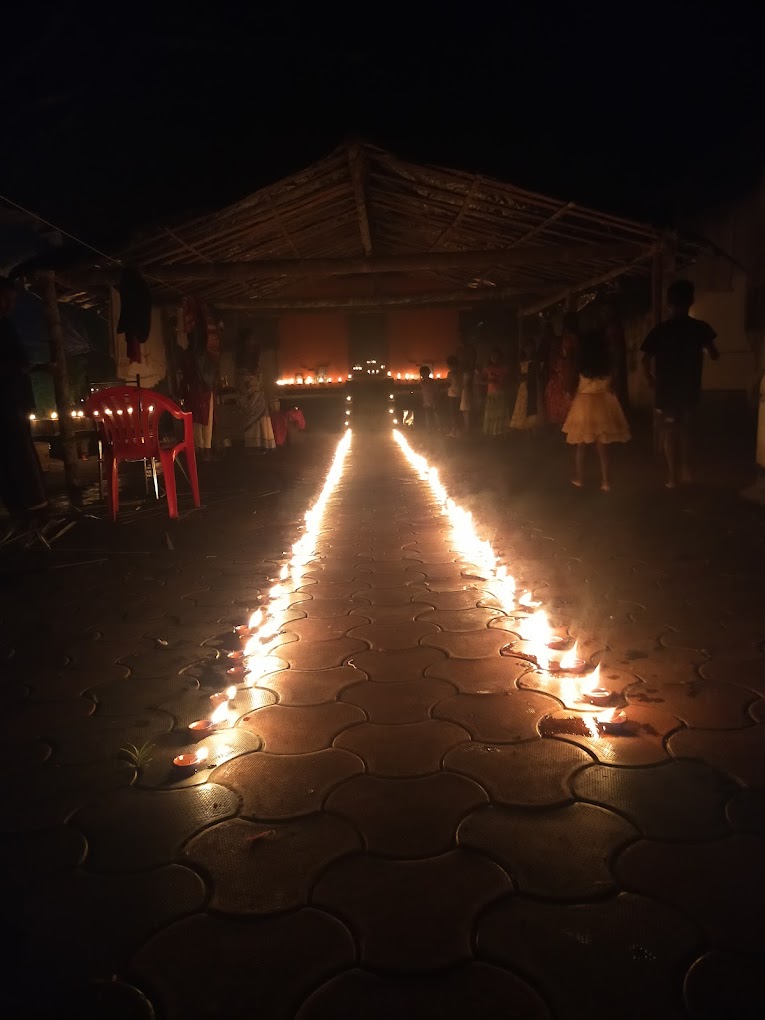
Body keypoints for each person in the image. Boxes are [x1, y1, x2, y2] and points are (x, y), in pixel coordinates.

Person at [641, 279, 720, 488]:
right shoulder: (700, 328)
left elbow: (645, 358)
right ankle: (686, 469)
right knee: (686, 429)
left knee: (669, 431)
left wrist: (649, 377)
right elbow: (714, 354)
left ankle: (671, 476)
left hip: (666, 388)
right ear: (691, 301)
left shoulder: (661, 329)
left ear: (668, 302)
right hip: (689, 387)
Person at [0, 277, 50, 529]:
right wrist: (20, 367)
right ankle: (32, 510)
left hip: (13, 399)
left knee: (16, 453)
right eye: (5, 300)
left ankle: (26, 511)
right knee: (16, 455)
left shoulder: (5, 325)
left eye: (12, 302)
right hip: (7, 401)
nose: (9, 306)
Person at [562, 327, 631, 491]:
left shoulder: (580, 362)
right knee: (602, 445)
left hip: (584, 404)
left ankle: (580, 477)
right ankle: (606, 481)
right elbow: (614, 385)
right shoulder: (607, 362)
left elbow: (572, 382)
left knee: (581, 444)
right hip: (603, 403)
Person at [237, 339, 275, 453]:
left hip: (257, 396)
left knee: (262, 420)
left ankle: (264, 444)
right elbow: (244, 380)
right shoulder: (244, 364)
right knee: (256, 421)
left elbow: (259, 379)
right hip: (250, 396)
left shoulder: (257, 364)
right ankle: (256, 444)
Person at [544, 313, 579, 425]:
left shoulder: (569, 340)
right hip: (562, 375)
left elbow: (569, 361)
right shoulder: (561, 340)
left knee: (567, 406)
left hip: (566, 375)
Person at [510, 337, 545, 435]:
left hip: (534, 386)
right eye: (526, 347)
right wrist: (522, 377)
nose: (528, 349)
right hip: (523, 388)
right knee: (524, 406)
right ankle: (527, 429)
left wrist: (529, 376)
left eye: (530, 347)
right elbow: (518, 374)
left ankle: (534, 429)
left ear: (533, 348)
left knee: (533, 405)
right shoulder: (521, 361)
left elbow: (537, 374)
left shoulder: (536, 361)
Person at [603, 302, 629, 410]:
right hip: (614, 358)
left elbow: (616, 343)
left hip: (615, 357)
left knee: (616, 383)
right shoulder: (612, 325)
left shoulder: (614, 326)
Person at [482, 347, 510, 437]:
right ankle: (492, 431)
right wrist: (489, 382)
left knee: (501, 413)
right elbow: (480, 380)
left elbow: (508, 380)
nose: (494, 358)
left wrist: (500, 381)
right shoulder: (488, 368)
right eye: (492, 356)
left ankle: (501, 431)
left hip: (500, 392)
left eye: (496, 356)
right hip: (491, 393)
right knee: (492, 412)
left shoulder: (504, 368)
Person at [445, 355, 462, 437]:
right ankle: (458, 431)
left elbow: (448, 383)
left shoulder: (450, 373)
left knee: (453, 414)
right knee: (458, 413)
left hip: (452, 395)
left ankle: (454, 431)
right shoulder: (460, 373)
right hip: (459, 395)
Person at [419, 365, 438, 431]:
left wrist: (434, 401)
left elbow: (435, 391)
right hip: (426, 402)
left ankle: (436, 428)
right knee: (428, 416)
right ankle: (430, 429)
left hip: (432, 401)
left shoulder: (431, 382)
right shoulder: (422, 382)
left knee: (434, 415)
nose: (423, 376)